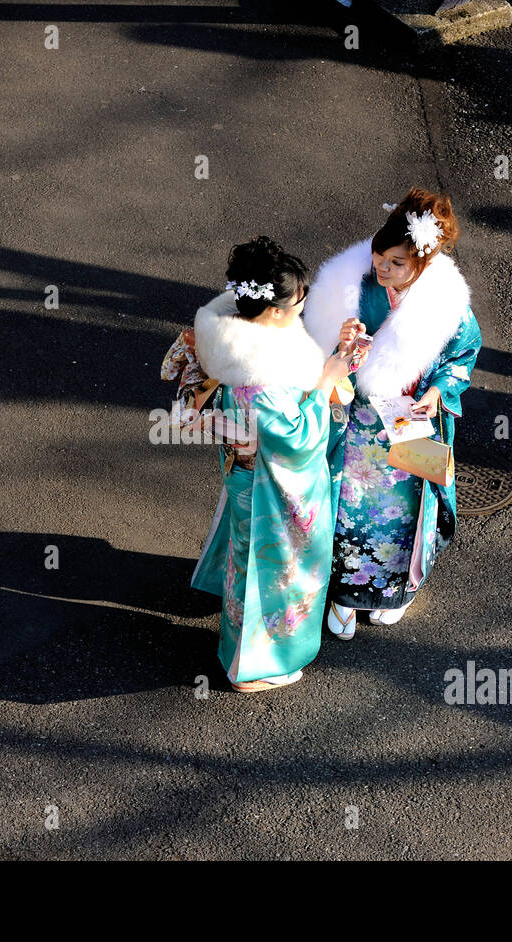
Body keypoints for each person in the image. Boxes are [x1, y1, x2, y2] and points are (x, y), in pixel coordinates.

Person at [302, 189, 482, 640]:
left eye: (396, 263)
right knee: (351, 505)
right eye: (380, 257)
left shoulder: (446, 304)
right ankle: (344, 594)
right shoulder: (352, 288)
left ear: (422, 263)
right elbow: (321, 351)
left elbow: (462, 353)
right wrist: (341, 340)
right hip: (359, 418)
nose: (381, 268)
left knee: (404, 511)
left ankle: (397, 590)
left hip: (409, 415)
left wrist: (439, 389)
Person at [184, 237, 357, 692]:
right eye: (298, 301)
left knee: (246, 561)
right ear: (276, 310)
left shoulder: (227, 333)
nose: (304, 306)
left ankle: (244, 644)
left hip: (244, 468)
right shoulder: (262, 376)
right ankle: (253, 666)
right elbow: (296, 438)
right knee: (271, 568)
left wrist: (329, 364)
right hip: (267, 483)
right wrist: (327, 382)